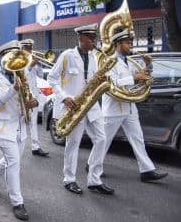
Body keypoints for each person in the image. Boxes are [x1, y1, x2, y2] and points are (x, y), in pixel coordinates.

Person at [47, 23, 114, 195]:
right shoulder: (67, 56)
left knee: (101, 139)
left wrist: (100, 80)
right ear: (81, 38)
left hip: (91, 107)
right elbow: (52, 78)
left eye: (94, 38)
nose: (93, 41)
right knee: (73, 143)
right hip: (73, 107)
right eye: (90, 38)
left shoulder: (94, 57)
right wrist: (64, 97)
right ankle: (69, 179)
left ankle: (94, 180)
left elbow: (91, 80)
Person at [101, 28, 168, 182]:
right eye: (127, 43)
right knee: (104, 140)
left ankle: (147, 170)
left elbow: (143, 77)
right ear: (118, 44)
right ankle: (93, 165)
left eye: (130, 42)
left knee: (138, 139)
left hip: (130, 107)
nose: (130, 45)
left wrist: (148, 66)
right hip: (113, 108)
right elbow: (110, 84)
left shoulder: (129, 61)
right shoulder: (109, 62)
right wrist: (134, 77)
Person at [0, 40, 37, 221]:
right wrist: (14, 89)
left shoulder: (22, 73)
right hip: (3, 128)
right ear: (3, 58)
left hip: (20, 127)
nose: (16, 60)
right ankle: (17, 202)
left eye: (17, 56)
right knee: (13, 162)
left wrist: (33, 102)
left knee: (12, 160)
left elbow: (33, 96)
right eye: (11, 57)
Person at [19, 39, 49, 157]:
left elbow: (41, 75)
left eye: (30, 48)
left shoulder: (32, 60)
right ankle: (17, 145)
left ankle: (35, 146)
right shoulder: (19, 61)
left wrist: (38, 64)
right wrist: (30, 66)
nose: (30, 50)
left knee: (33, 122)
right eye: (27, 48)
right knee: (20, 121)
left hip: (33, 95)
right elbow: (22, 75)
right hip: (22, 95)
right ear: (22, 49)